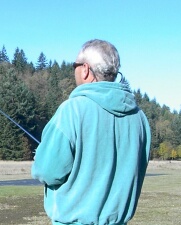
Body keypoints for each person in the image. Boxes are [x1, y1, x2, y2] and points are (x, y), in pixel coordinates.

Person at [31, 39, 151, 225]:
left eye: (75, 66)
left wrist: (41, 155)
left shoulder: (71, 110)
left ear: (85, 69)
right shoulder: (140, 118)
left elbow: (47, 171)